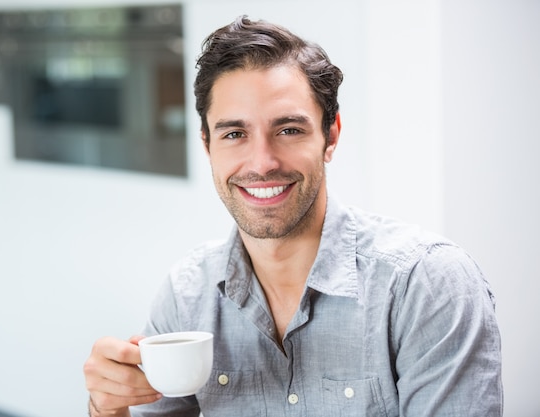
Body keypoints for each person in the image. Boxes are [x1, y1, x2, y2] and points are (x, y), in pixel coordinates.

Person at [83, 16, 503, 417]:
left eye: (289, 130)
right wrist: (109, 407)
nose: (262, 163)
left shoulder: (426, 284)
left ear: (331, 135)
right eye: (234, 134)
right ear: (207, 145)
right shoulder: (187, 293)